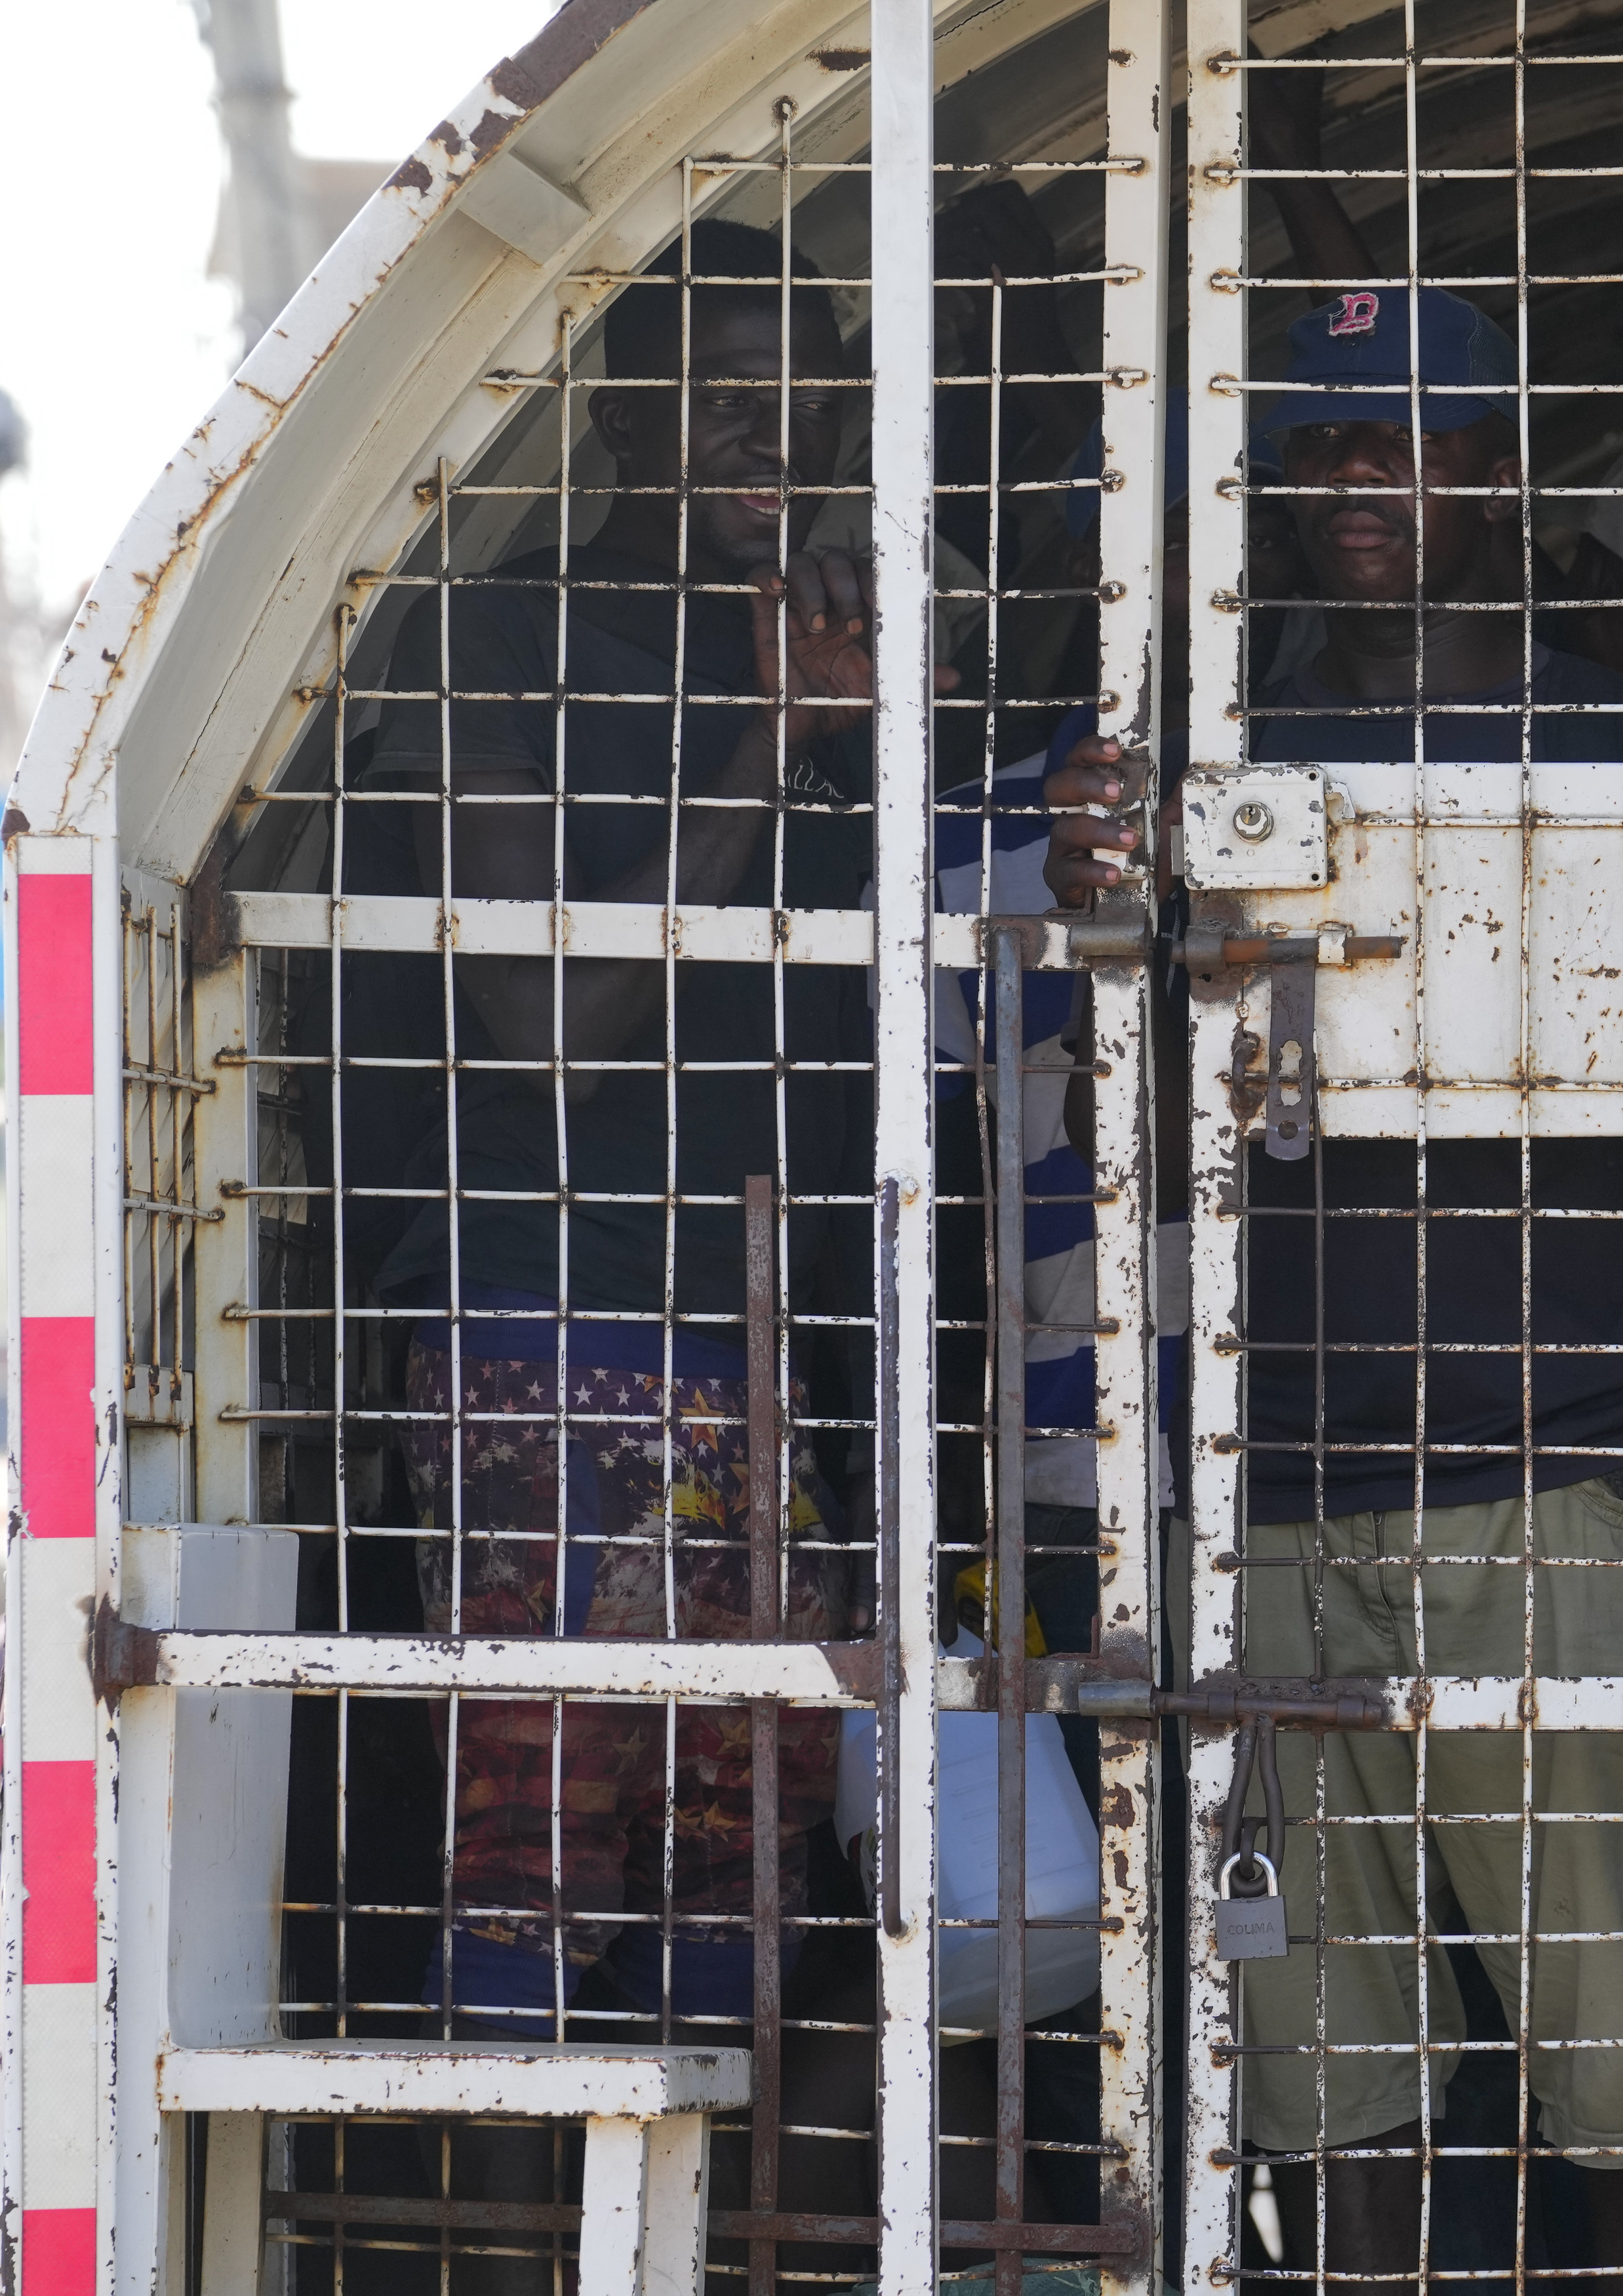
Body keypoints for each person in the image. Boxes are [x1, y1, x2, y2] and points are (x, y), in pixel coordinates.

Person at [1039, 290, 1623, 2296]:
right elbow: (1111, 1093)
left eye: (1404, 439)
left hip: (1562, 1464)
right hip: (1279, 1465)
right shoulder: (1211, 749)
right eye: (1322, 448)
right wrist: (1095, 895)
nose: (1358, 484)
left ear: (1500, 464)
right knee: (1328, 2074)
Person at [367, 220, 872, 2040]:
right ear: (616, 410)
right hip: (549, 1332)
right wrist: (769, 739)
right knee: (531, 1901)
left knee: (737, 1909)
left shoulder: (836, 641)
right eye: (731, 397)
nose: (776, 443)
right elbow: (552, 1019)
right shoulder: (488, 628)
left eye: (813, 403)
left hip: (767, 1340)